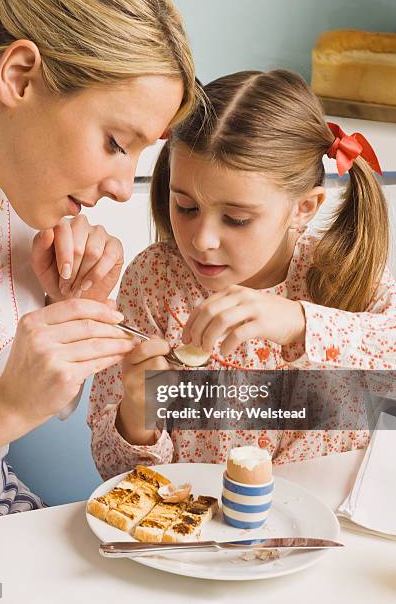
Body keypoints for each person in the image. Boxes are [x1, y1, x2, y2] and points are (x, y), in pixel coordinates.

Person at [0, 0, 198, 526]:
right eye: (115, 142)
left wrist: (68, 308)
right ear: (20, 77)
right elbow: (4, 405)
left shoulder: (17, 200)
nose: (125, 190)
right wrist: (6, 406)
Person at [88, 69, 396, 481]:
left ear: (303, 208)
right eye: (186, 207)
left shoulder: (344, 274)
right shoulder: (153, 281)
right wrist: (138, 409)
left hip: (329, 523)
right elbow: (115, 473)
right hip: (201, 530)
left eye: (236, 218)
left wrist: (300, 322)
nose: (203, 241)